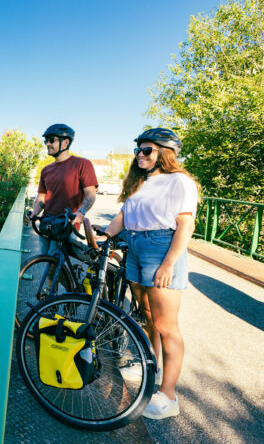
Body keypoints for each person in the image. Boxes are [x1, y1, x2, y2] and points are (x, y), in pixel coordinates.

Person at [100, 127, 198, 420]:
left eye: (147, 150)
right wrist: (104, 235)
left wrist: (169, 263)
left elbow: (185, 225)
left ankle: (169, 395)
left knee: (167, 325)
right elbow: (123, 216)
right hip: (136, 245)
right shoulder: (139, 183)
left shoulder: (179, 181)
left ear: (164, 154)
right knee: (146, 315)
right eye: (138, 150)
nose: (139, 155)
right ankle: (150, 364)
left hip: (161, 247)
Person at [28, 123, 98, 254]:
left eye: (51, 140)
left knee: (55, 266)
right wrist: (33, 213)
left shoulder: (82, 164)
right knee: (44, 262)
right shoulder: (46, 170)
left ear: (65, 142)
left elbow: (91, 194)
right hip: (46, 224)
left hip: (66, 225)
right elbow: (41, 199)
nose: (47, 144)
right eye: (46, 140)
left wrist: (81, 212)